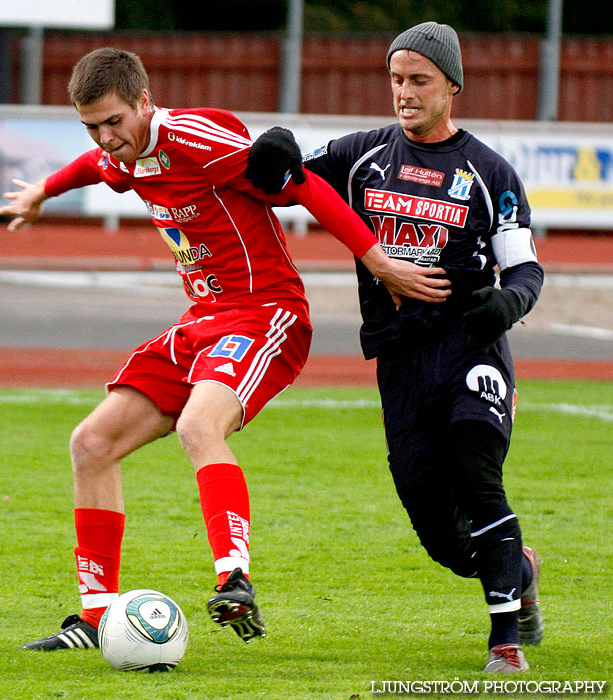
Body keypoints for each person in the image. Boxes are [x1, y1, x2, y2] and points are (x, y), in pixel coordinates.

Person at [0, 47, 451, 651]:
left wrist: (381, 265)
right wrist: (43, 192)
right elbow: (93, 167)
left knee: (198, 425)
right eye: (92, 127)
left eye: (112, 122)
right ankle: (96, 616)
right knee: (91, 443)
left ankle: (235, 581)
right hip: (202, 320)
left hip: (266, 313)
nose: (105, 138)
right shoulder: (125, 156)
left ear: (144, 103)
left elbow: (305, 187)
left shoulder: (197, 142)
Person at [245, 22, 544, 673]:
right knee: (441, 538)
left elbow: (524, 271)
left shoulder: (489, 172)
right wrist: (271, 152)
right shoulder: (361, 154)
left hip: (471, 352)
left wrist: (508, 302)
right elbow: (283, 179)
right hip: (399, 363)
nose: (404, 93)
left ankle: (504, 642)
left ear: (451, 86)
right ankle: (517, 569)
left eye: (419, 81)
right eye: (396, 80)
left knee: (476, 478)